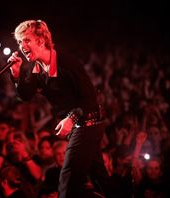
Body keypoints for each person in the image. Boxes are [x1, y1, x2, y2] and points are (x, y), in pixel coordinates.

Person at [7, 19, 113, 198]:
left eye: (26, 40)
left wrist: (71, 119)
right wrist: (16, 74)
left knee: (68, 177)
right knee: (99, 177)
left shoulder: (67, 63)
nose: (21, 46)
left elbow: (89, 99)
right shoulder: (36, 68)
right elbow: (25, 95)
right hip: (76, 126)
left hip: (89, 122)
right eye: (19, 41)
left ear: (41, 40)